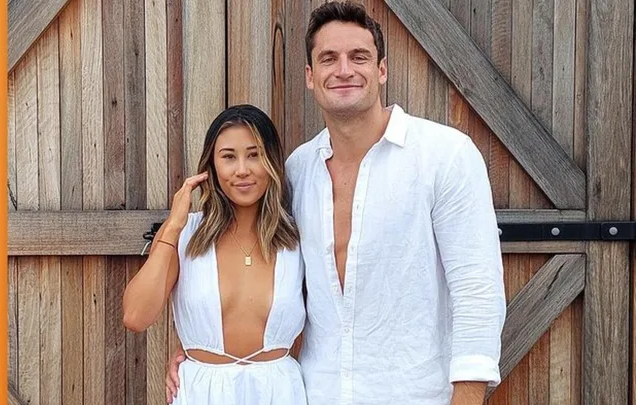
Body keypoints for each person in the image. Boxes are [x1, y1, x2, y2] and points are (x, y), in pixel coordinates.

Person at [167, 2, 506, 404]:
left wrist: (467, 396)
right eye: (328, 58)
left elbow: (477, 290)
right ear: (311, 77)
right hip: (317, 393)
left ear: (381, 69)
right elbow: (267, 274)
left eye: (358, 57)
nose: (343, 69)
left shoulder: (444, 155)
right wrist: (206, 356)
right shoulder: (296, 170)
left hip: (415, 394)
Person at [123, 104, 308, 405]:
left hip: (280, 392)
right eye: (228, 157)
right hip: (202, 392)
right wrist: (173, 226)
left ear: (272, 161)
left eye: (254, 154)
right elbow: (135, 317)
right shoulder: (185, 235)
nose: (242, 170)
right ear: (211, 167)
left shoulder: (297, 239)